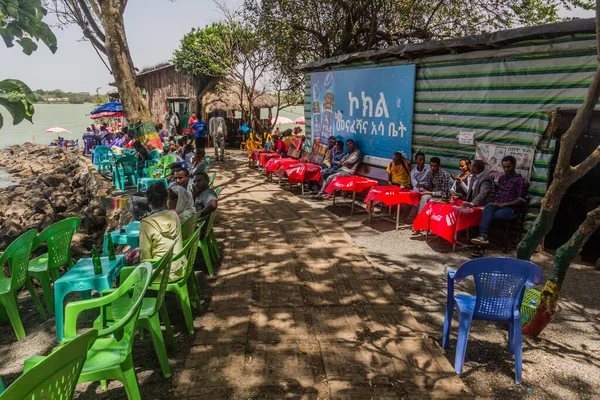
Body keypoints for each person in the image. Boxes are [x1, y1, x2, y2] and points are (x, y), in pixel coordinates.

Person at [471, 156, 529, 245]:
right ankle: (483, 236)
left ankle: (483, 236)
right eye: (504, 167)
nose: (506, 169)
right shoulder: (502, 178)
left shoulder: (521, 181)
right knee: (487, 207)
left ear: (514, 166)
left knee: (487, 215)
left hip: (511, 210)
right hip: (497, 206)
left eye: (508, 167)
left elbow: (520, 200)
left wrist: (504, 204)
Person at [139, 182, 186, 280]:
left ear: (148, 201)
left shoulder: (146, 223)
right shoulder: (174, 215)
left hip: (161, 274)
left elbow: (145, 255)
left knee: (130, 266)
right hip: (180, 268)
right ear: (166, 200)